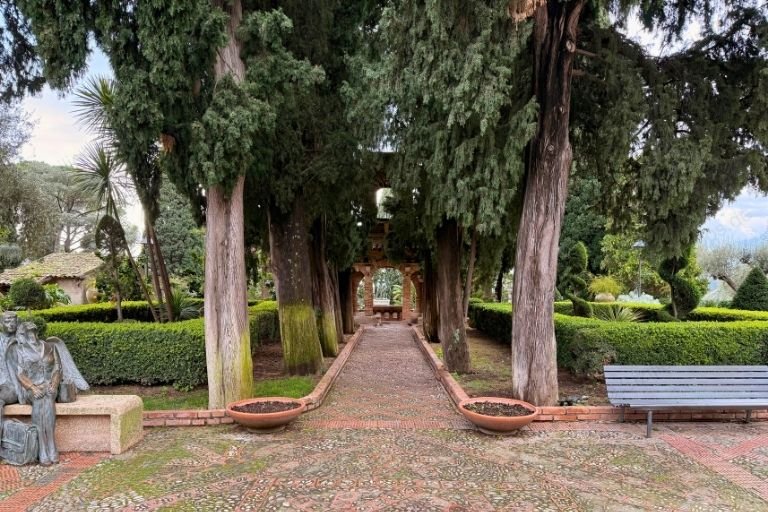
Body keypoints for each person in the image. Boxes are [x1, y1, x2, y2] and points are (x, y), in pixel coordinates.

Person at [6, 322, 62, 465]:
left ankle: (51, 443)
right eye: (28, 332)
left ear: (37, 332)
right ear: (24, 334)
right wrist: (32, 387)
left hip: (49, 386)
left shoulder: (50, 347)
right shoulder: (20, 350)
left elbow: (57, 368)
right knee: (39, 399)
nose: (32, 335)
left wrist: (54, 384)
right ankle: (43, 448)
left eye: (34, 331)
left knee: (48, 397)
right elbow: (20, 374)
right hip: (31, 389)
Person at [0, 311, 20, 425]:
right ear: (1, 323)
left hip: (13, 386)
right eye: (7, 321)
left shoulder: (23, 340)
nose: (11, 324)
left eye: (13, 321)